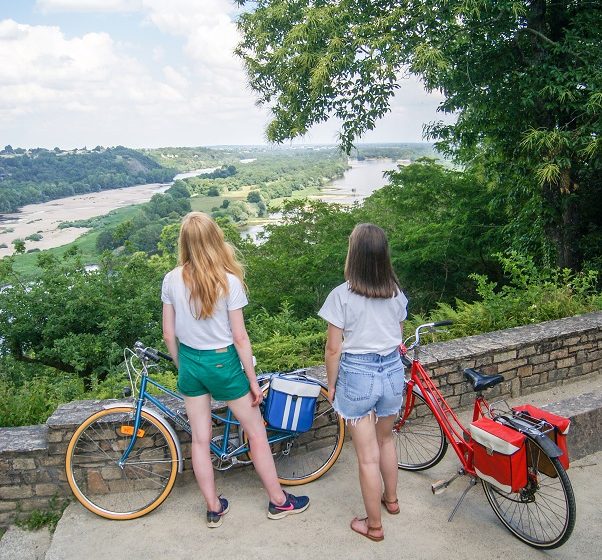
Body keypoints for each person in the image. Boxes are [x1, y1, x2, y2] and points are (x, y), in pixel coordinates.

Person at [162, 212, 309, 528]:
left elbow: (167, 334)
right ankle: (278, 501)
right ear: (215, 238)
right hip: (223, 362)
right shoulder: (228, 282)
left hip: (190, 362)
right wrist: (253, 382)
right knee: (256, 431)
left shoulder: (171, 279)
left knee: (200, 440)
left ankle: (213, 508)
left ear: (184, 243)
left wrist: (182, 364)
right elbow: (240, 338)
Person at [318, 223, 407, 542]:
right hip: (393, 373)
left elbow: (333, 349)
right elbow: (397, 331)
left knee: (367, 455)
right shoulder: (395, 291)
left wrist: (331, 385)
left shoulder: (341, 296)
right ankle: (392, 502)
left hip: (357, 375)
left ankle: (374, 526)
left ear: (353, 256)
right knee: (386, 441)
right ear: (384, 256)